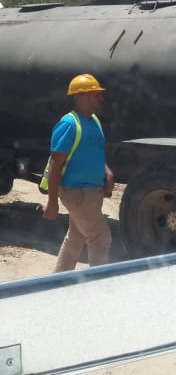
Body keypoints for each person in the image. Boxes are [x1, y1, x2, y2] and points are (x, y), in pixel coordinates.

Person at [42, 73, 115, 272]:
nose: (101, 98)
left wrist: (107, 173)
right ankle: (98, 288)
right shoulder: (69, 124)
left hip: (91, 192)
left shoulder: (94, 122)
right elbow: (56, 165)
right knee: (100, 237)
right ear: (82, 96)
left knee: (76, 236)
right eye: (96, 94)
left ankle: (59, 281)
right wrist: (52, 202)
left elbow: (95, 154)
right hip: (77, 192)